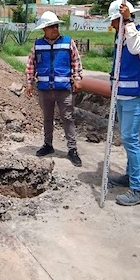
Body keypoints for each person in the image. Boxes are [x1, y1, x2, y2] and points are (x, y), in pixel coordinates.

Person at [105, 0, 140, 206]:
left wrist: (127, 21)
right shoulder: (122, 37)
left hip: (137, 95)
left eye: (114, 21)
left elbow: (136, 49)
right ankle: (129, 176)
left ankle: (138, 189)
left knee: (130, 139)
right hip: (122, 95)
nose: (112, 25)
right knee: (127, 138)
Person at [25, 11, 84, 167]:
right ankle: (48, 144)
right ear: (44, 29)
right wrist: (29, 83)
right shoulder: (38, 45)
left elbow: (76, 62)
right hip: (44, 89)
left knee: (68, 118)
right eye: (51, 27)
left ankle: (72, 150)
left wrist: (77, 79)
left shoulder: (67, 42)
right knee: (47, 118)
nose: (55, 29)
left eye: (56, 26)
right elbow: (31, 65)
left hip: (63, 88)